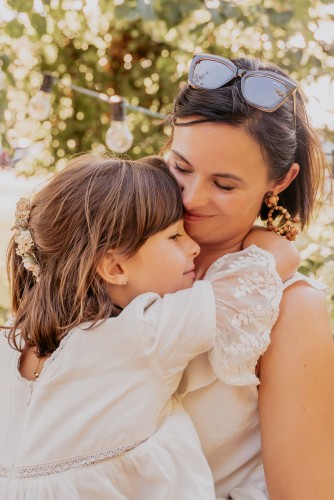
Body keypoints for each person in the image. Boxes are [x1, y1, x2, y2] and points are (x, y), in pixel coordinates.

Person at [0, 154, 297, 499]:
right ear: (114, 268)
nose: (194, 246)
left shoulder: (11, 344)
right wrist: (260, 233)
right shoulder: (142, 333)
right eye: (174, 237)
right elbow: (266, 271)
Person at [165, 53, 334, 499]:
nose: (191, 196)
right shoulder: (116, 254)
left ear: (280, 181)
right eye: (181, 167)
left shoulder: (293, 309)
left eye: (224, 184)